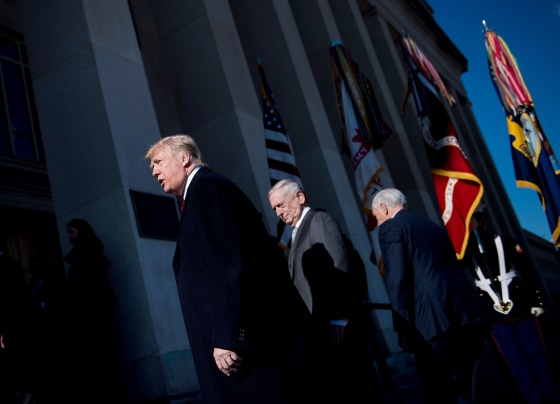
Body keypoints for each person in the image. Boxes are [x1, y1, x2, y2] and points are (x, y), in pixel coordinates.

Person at [144, 134, 295, 404]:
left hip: (238, 348)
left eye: (158, 162)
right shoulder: (200, 193)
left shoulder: (207, 190)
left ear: (184, 158)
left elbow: (228, 266)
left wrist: (228, 336)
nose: (154, 171)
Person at [371, 188, 495, 403]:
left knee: (440, 391)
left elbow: (399, 279)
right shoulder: (434, 227)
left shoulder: (390, 227)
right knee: (471, 388)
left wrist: (402, 326)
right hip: (467, 315)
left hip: (434, 324)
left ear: (383, 207)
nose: (378, 223)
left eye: (376, 218)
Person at [267, 179, 383, 403]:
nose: (278, 212)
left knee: (358, 390)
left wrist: (339, 318)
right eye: (275, 208)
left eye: (281, 205)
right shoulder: (297, 232)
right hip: (323, 333)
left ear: (300, 197)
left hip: (339, 331)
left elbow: (339, 267)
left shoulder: (318, 220)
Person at [463, 207, 560, 403]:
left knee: (537, 358)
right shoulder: (465, 251)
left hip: (521, 309)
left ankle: (553, 398)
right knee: (515, 363)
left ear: (483, 221)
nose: (475, 225)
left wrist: (536, 301)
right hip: (494, 316)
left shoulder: (505, 241)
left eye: (477, 219)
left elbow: (527, 271)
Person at [64, 218, 122, 403]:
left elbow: (97, 291)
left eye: (71, 232)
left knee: (100, 362)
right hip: (88, 320)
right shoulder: (84, 256)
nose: (69, 237)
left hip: (95, 320)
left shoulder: (88, 257)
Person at [0, 250, 31, 403]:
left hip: (13, 323)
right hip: (14, 323)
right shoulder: (11, 265)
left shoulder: (7, 267)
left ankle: (23, 391)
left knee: (16, 358)